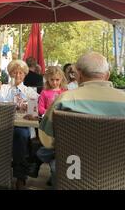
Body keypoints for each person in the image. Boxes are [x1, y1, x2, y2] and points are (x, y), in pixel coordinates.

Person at [39, 52, 125, 187]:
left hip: (73, 171)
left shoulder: (65, 100)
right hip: (117, 173)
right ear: (107, 75)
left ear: (78, 75)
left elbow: (46, 139)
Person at [0, 59, 39, 190]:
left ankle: (20, 176)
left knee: (21, 135)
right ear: (10, 74)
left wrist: (29, 107)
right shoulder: (4, 89)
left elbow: (36, 107)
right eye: (15, 73)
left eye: (21, 73)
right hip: (3, 124)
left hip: (22, 124)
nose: (18, 76)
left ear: (25, 74)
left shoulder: (29, 91)